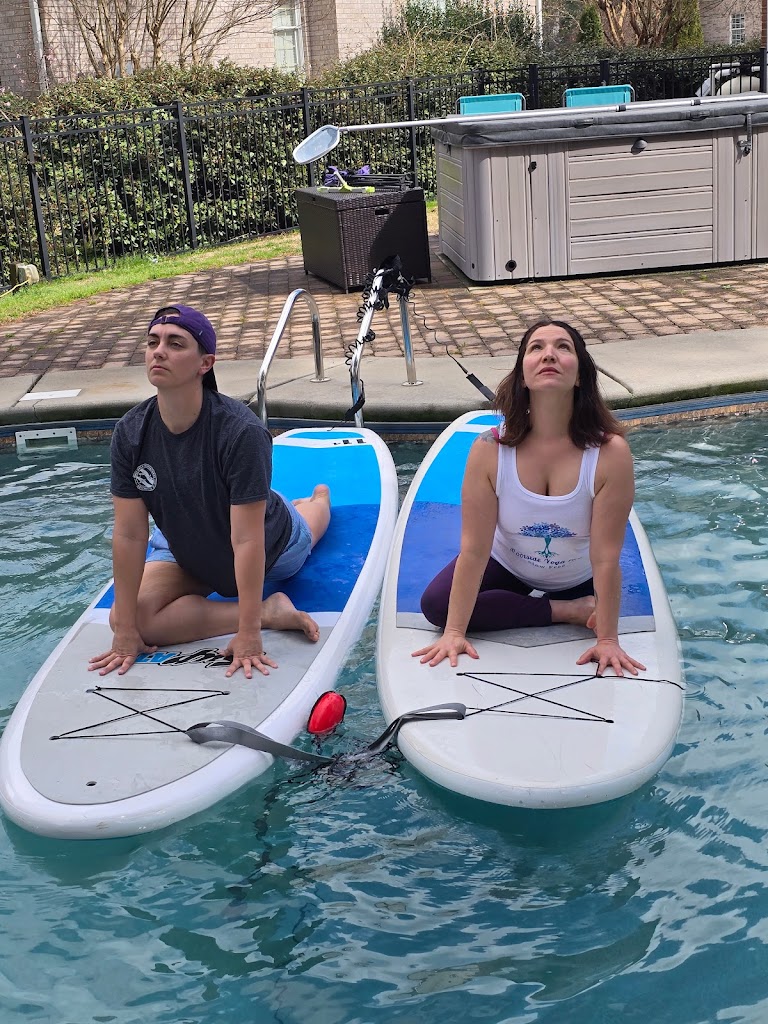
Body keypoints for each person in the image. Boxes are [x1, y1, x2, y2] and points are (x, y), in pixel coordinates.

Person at [88, 304, 331, 680]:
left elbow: (249, 538)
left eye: (175, 343)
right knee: (126, 616)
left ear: (205, 363)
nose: (159, 351)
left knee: (306, 528)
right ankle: (271, 611)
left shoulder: (239, 432)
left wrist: (248, 634)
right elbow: (130, 533)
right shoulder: (131, 432)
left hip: (267, 541)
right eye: (153, 342)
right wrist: (125, 634)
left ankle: (318, 500)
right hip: (187, 550)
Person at [414, 319, 645, 678]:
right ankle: (567, 610)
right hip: (510, 565)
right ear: (523, 375)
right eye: (536, 348)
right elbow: (475, 550)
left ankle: (578, 602)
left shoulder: (609, 453)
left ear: (580, 375)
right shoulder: (489, 449)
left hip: (580, 575)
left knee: (599, 589)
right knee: (436, 606)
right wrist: (455, 633)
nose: (548, 354)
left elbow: (606, 557)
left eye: (563, 347)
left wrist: (609, 639)